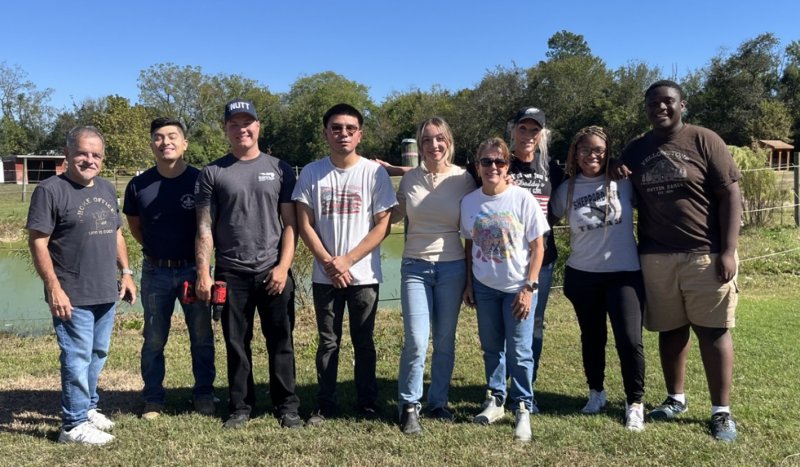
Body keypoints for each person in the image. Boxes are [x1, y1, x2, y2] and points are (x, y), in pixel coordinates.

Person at [620, 80, 742, 442]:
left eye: (667, 102)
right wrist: (614, 166)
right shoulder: (638, 149)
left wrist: (729, 250)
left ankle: (721, 412)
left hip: (704, 254)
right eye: (653, 103)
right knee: (671, 330)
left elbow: (730, 193)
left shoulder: (704, 140)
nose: (660, 108)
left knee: (713, 330)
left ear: (682, 104)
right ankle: (676, 398)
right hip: (655, 256)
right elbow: (613, 172)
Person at [195, 99, 302, 430]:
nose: (242, 129)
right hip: (231, 273)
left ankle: (287, 405)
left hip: (273, 271)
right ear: (226, 129)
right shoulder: (212, 172)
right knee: (236, 344)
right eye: (234, 124)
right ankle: (241, 406)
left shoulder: (281, 168)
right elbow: (204, 227)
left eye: (248, 123)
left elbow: (290, 224)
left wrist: (283, 267)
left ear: (258, 127)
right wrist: (204, 273)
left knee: (281, 340)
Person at [27, 126, 137, 445]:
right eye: (82, 153)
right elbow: (38, 242)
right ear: (68, 155)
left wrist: (127, 272)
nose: (89, 160)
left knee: (96, 353)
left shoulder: (104, 188)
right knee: (76, 358)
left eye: (95, 154)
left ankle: (87, 408)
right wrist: (54, 287)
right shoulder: (49, 190)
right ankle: (72, 425)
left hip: (105, 289)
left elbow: (116, 232)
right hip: (72, 293)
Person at [293, 103, 397, 425]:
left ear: (360, 134)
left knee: (364, 341)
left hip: (363, 275)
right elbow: (303, 223)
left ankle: (367, 402)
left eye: (350, 129)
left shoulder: (374, 172)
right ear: (326, 133)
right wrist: (329, 263)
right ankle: (326, 403)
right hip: (325, 276)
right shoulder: (311, 172)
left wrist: (347, 260)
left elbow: (383, 225)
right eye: (336, 128)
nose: (343, 134)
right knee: (328, 341)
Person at [549, 126, 646, 431]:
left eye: (599, 150)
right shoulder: (565, 190)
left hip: (624, 274)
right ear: (574, 153)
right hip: (583, 275)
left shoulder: (624, 182)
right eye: (585, 150)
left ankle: (635, 403)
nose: (592, 155)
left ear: (608, 153)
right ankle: (596, 393)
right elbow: (541, 223)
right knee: (592, 338)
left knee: (629, 340)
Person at [123, 117, 216, 420]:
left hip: (194, 271)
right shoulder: (138, 184)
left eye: (172, 136)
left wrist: (204, 271)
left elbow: (210, 228)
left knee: (201, 336)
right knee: (154, 338)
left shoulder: (200, 180)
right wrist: (156, 250)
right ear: (152, 144)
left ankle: (203, 394)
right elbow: (135, 227)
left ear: (184, 143)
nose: (166, 142)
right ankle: (153, 399)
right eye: (159, 137)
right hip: (156, 272)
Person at [461, 137, 548, 442]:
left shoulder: (522, 199)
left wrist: (529, 287)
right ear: (478, 166)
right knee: (491, 347)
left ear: (508, 165)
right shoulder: (469, 202)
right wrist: (469, 284)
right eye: (487, 161)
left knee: (521, 350)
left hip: (518, 288)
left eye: (499, 162)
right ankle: (496, 399)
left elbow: (538, 246)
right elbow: (469, 245)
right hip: (485, 287)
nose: (493, 167)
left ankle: (523, 405)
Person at [392, 117, 476, 434]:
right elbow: (391, 216)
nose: (433, 145)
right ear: (420, 145)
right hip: (414, 265)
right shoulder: (410, 179)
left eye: (439, 139)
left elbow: (477, 220)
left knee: (444, 340)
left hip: (452, 266)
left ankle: (437, 401)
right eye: (427, 140)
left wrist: (470, 277)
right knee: (416, 339)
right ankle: (409, 406)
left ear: (448, 141)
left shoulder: (464, 179)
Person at [506, 107, 564, 410]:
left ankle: (526, 390)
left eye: (534, 130)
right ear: (513, 131)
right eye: (523, 129)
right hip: (504, 261)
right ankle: (499, 390)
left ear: (542, 134)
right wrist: (397, 169)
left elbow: (589, 171)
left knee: (534, 325)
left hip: (542, 261)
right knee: (506, 328)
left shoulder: (551, 169)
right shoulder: (499, 163)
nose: (528, 135)